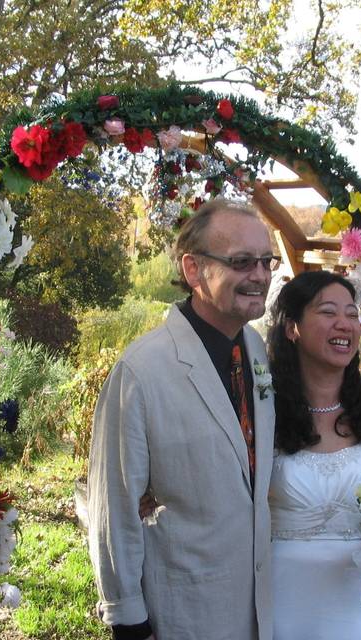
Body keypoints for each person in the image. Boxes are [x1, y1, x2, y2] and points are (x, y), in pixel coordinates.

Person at [87, 198, 277, 640]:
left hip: (261, 607)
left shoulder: (258, 352)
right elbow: (113, 503)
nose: (261, 276)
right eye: (242, 262)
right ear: (193, 270)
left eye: (266, 261)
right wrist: (127, 618)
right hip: (184, 611)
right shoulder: (143, 370)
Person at [266, 270, 361, 639]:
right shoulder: (264, 413)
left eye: (352, 314)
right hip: (282, 599)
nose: (345, 325)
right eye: (328, 312)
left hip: (360, 606)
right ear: (292, 328)